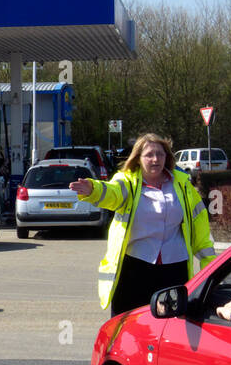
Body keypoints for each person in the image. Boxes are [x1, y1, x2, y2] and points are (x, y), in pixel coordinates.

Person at [70, 132, 216, 317]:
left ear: (167, 157)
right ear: (138, 158)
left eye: (160, 154)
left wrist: (210, 265)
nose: (155, 159)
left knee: (171, 326)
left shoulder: (183, 185)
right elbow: (112, 194)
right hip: (135, 267)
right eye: (149, 155)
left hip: (174, 268)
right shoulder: (127, 182)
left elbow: (200, 227)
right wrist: (93, 189)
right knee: (129, 323)